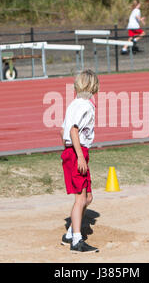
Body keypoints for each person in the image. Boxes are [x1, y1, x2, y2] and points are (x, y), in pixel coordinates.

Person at [60, 70, 100, 253]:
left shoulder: (73, 104)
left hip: (74, 152)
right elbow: (73, 131)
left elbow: (62, 131)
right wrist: (79, 156)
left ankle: (70, 232)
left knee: (88, 197)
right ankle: (77, 240)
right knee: (80, 198)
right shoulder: (84, 106)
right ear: (93, 86)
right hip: (78, 153)